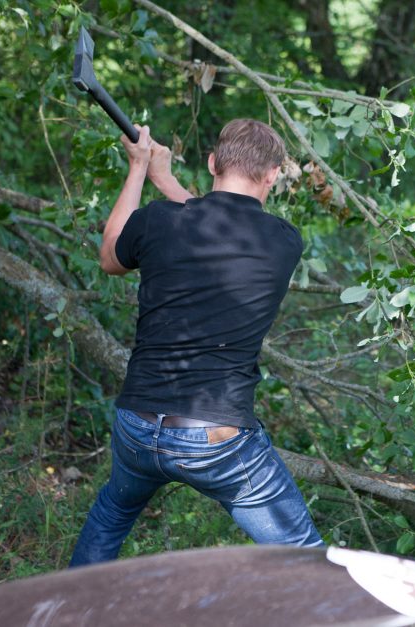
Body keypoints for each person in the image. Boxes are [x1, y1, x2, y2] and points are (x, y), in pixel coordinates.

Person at [70, 119, 323, 567]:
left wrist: (141, 169)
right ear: (272, 175)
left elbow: (111, 256)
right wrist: (159, 174)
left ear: (211, 163)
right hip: (216, 441)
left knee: (113, 511)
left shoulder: (159, 221)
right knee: (303, 555)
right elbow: (214, 226)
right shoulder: (284, 241)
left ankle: (63, 613)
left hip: (138, 427)